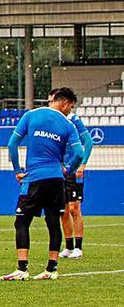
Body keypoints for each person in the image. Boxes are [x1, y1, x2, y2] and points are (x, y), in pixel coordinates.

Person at [0, 87, 85, 281]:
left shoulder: (31, 116)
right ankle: (51, 269)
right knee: (53, 222)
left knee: (22, 221)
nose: (69, 111)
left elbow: (12, 144)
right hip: (56, 179)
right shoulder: (68, 125)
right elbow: (79, 153)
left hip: (34, 178)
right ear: (64, 103)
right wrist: (68, 170)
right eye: (70, 107)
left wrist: (17, 170)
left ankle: (22, 269)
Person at [59, 93, 94, 259]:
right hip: (59, 171)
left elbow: (89, 141)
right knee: (63, 211)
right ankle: (68, 247)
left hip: (72, 169)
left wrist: (83, 164)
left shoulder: (74, 119)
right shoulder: (54, 119)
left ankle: (78, 248)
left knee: (74, 208)